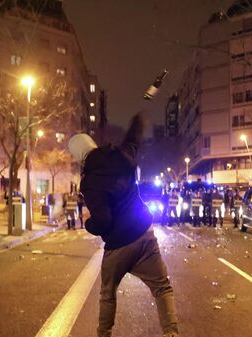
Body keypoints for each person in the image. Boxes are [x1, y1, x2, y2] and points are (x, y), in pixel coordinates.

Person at [68, 114, 179, 337]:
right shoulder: (119, 156)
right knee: (162, 287)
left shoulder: (90, 182)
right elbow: (132, 143)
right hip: (144, 233)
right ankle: (171, 333)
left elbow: (103, 221)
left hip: (118, 245)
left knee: (108, 293)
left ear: (79, 157)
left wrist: (89, 224)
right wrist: (137, 122)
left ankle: (104, 334)